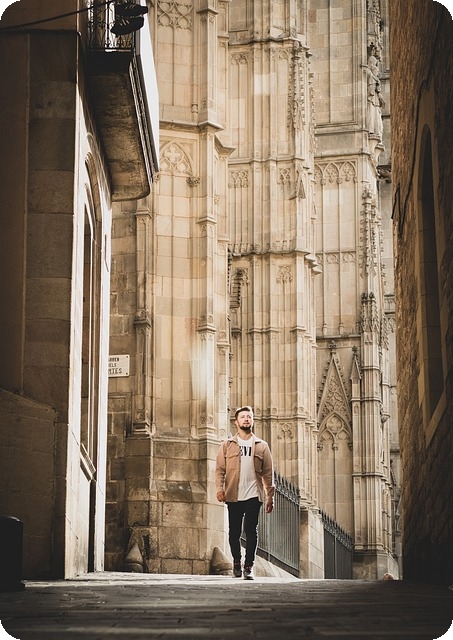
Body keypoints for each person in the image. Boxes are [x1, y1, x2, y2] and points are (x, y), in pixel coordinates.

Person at [215, 405, 275, 580]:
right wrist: (219, 489)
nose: (246, 419)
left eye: (249, 417)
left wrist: (270, 497)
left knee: (251, 530)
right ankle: (236, 561)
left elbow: (268, 473)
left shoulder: (262, 446)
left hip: (253, 495)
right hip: (233, 495)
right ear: (236, 422)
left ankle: (248, 566)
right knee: (234, 532)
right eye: (243, 417)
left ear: (253, 420)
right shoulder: (227, 445)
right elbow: (219, 470)